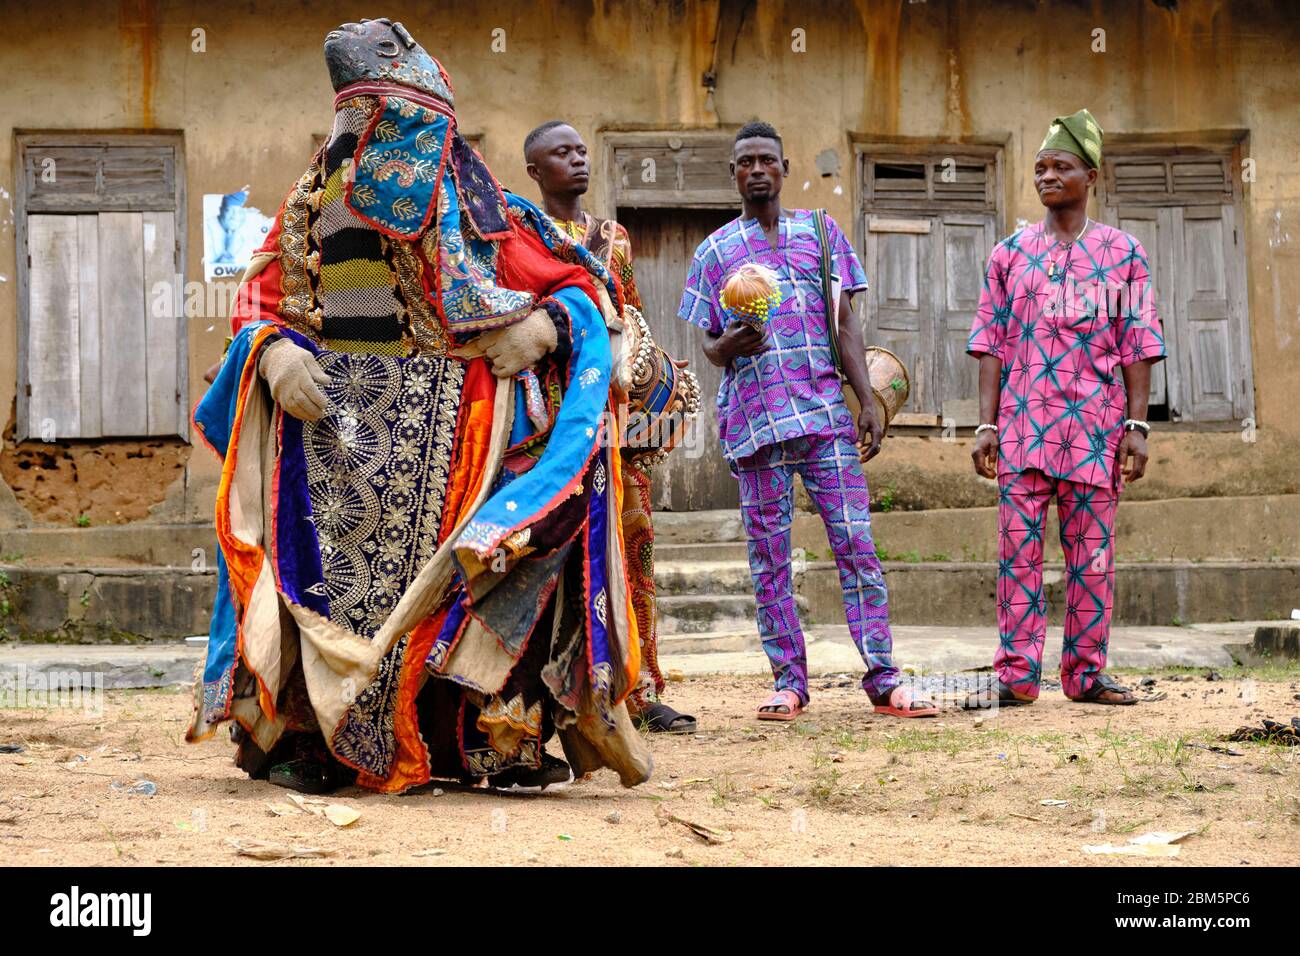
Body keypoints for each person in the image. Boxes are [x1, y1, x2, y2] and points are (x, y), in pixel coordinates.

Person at [186, 18, 653, 795]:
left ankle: (488, 741)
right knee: (310, 576)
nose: (374, 142)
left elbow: (580, 287)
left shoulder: (482, 211)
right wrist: (270, 351)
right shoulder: (313, 210)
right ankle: (314, 743)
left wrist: (544, 327)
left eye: (389, 122)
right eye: (360, 123)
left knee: (524, 535)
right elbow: (260, 303)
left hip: (466, 440)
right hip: (335, 442)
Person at [677, 120, 936, 721]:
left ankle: (883, 676)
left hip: (823, 415)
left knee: (855, 544)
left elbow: (846, 324)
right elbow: (709, 347)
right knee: (769, 556)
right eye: (746, 162)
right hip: (755, 423)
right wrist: (729, 346)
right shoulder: (714, 252)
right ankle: (789, 681)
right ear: (734, 173)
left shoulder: (820, 234)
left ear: (785, 168)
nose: (758, 169)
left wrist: (866, 398)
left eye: (768, 159)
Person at [964, 109, 1166, 709]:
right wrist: (985, 422)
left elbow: (1139, 344)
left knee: (1092, 560)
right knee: (1017, 556)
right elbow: (991, 343)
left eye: (1061, 166)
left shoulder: (1123, 254)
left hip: (1096, 432)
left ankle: (1085, 674)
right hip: (1023, 431)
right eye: (1040, 168)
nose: (1047, 177)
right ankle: (1017, 676)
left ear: (1090, 175)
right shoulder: (1009, 254)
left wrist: (1136, 426)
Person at [523, 119, 698, 735]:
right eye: (559, 152)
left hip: (616, 422)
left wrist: (655, 376)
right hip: (549, 426)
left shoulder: (613, 237)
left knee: (633, 547)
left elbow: (631, 315)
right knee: (551, 553)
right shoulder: (520, 234)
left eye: (580, 150)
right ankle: (554, 698)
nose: (576, 160)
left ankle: (641, 686)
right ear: (533, 170)